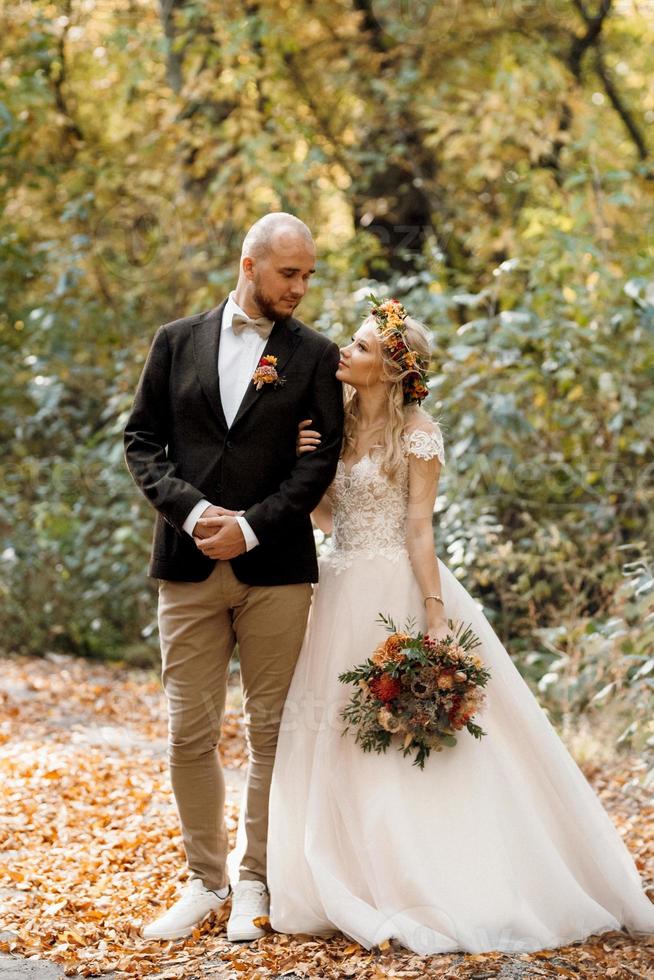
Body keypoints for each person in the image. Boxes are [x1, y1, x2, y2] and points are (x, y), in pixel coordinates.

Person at [262, 297, 654, 954]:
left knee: (404, 736)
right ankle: (350, 869)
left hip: (397, 591)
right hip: (339, 586)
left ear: (390, 368)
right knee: (337, 734)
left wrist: (434, 616)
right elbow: (331, 518)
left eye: (358, 347)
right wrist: (297, 465)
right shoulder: (339, 420)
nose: (344, 353)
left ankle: (426, 874)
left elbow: (418, 528)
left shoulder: (418, 433)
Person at [123, 212, 344, 942]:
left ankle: (256, 882)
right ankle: (204, 880)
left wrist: (250, 525)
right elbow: (141, 441)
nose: (301, 288)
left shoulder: (315, 355)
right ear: (249, 265)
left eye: (308, 275)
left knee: (272, 732)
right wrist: (193, 515)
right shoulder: (175, 341)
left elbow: (320, 461)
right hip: (186, 567)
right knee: (188, 730)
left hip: (276, 569)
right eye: (290, 274)